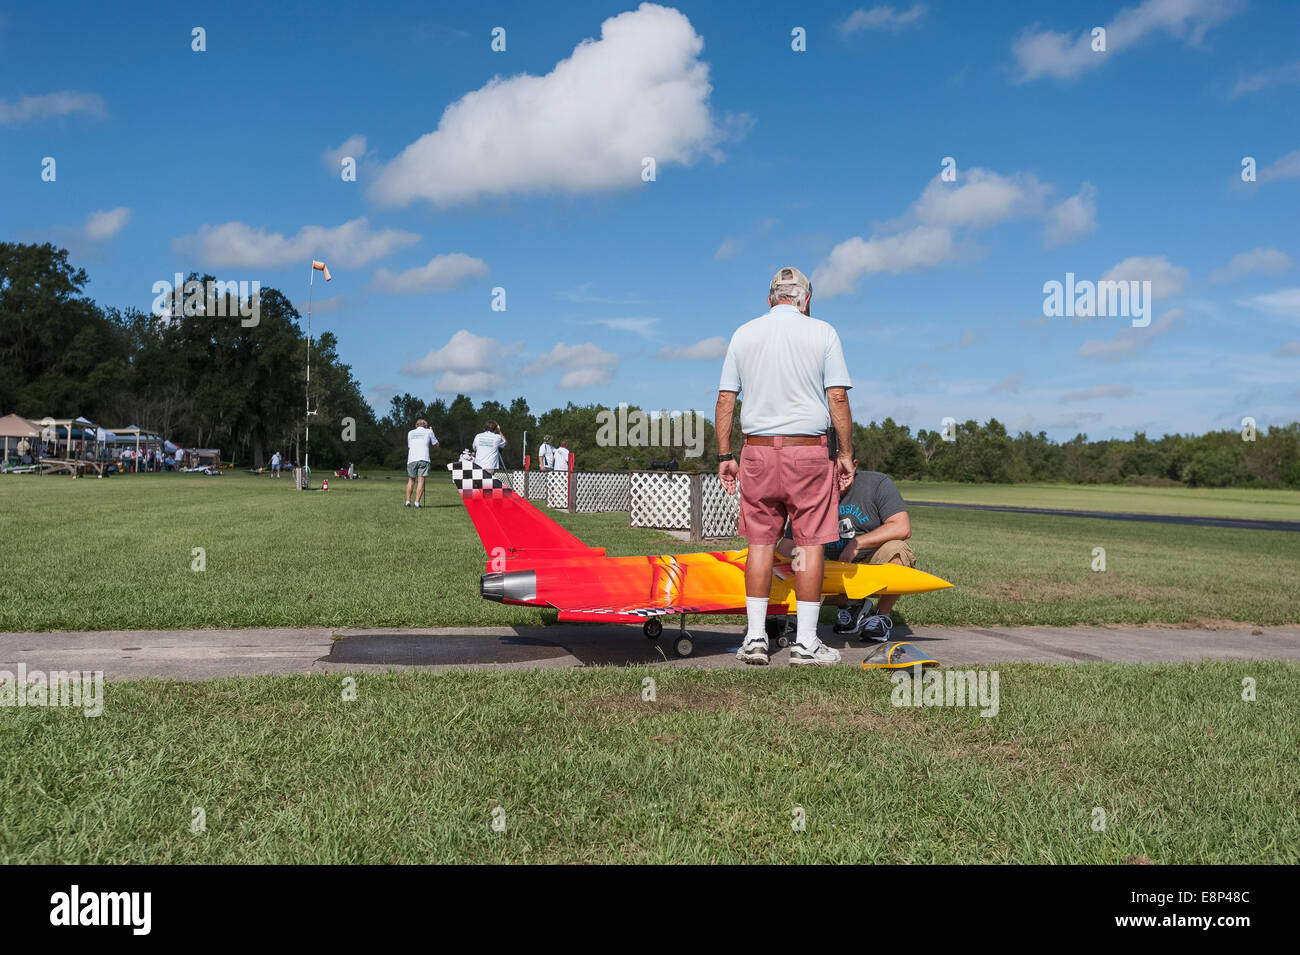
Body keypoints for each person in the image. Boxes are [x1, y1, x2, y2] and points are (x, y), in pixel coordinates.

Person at [716, 266, 854, 667]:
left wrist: (725, 457)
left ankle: (756, 638)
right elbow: (838, 399)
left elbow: (726, 400)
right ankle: (807, 643)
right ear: (806, 300)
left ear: (770, 299)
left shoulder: (743, 333)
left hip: (756, 451)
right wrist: (845, 453)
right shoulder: (824, 332)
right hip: (807, 451)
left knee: (759, 544)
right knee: (810, 543)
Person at [776, 450, 913, 641]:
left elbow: (902, 527)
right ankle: (853, 604)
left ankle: (880, 616)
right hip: (827, 562)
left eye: (840, 471)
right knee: (794, 560)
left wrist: (857, 544)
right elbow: (788, 545)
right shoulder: (810, 494)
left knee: (898, 551)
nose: (835, 478)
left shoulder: (878, 483)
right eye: (827, 471)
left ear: (854, 465)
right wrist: (771, 570)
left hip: (869, 558)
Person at [405, 418, 439, 507]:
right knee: (421, 481)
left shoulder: (410, 432)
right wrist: (431, 431)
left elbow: (409, 446)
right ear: (426, 425)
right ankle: (416, 503)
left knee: (411, 480)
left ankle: (408, 502)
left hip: (412, 458)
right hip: (423, 458)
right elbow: (436, 444)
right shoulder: (429, 431)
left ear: (416, 425)